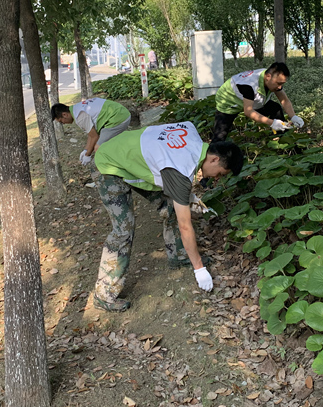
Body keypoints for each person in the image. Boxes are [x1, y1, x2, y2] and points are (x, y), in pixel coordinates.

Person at [91, 121, 244, 311]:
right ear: (214, 159)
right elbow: (185, 225)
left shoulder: (191, 132)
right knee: (123, 229)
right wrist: (199, 269)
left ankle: (178, 256)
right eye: (220, 173)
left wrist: (186, 197)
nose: (217, 178)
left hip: (129, 156)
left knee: (172, 206)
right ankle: (104, 295)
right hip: (108, 164)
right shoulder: (180, 172)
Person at [212, 62, 304, 142]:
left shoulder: (270, 78)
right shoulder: (249, 85)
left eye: (282, 84)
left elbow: (284, 100)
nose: (280, 87)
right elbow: (248, 111)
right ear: (268, 77)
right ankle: (212, 153)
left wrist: (293, 117)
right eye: (279, 83)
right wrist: (272, 123)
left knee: (275, 109)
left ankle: (284, 140)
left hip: (253, 100)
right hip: (228, 102)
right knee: (220, 136)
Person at [51, 98, 131, 165]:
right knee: (104, 146)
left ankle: (115, 171)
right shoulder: (77, 108)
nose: (63, 123)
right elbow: (91, 133)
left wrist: (88, 155)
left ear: (65, 115)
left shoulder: (79, 116)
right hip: (119, 112)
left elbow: (95, 137)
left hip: (118, 118)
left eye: (61, 121)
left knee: (99, 148)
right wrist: (85, 150)